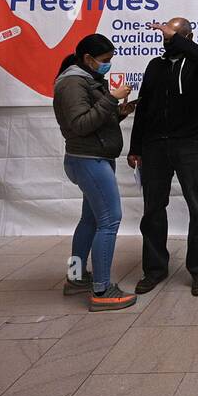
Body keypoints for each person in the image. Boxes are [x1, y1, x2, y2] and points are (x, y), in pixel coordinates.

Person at [128, 17, 198, 296]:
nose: (167, 40)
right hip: (156, 146)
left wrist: (176, 37)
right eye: (165, 37)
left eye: (173, 36)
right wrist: (135, 147)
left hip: (191, 143)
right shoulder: (156, 65)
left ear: (187, 37)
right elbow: (142, 108)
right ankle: (154, 269)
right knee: (153, 209)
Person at [52, 34, 137, 312]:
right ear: (88, 59)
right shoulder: (72, 83)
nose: (108, 65)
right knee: (110, 221)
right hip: (88, 160)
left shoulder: (86, 79)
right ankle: (102, 289)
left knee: (89, 220)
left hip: (92, 157)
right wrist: (111, 98)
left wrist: (118, 111)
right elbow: (80, 124)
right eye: (105, 61)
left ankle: (76, 278)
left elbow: (94, 119)